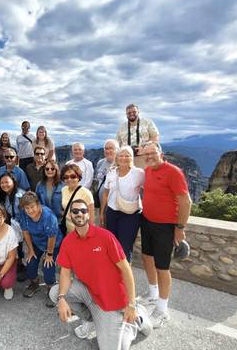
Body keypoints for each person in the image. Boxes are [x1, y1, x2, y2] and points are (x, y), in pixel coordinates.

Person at [49, 199, 152, 349]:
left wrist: (131, 304)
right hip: (90, 294)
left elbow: (126, 270)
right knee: (55, 293)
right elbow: (65, 272)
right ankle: (92, 321)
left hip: (112, 303)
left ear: (89, 214)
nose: (79, 214)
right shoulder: (68, 241)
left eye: (83, 211)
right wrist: (62, 298)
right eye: (75, 211)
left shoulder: (105, 237)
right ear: (70, 216)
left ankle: (136, 319)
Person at [137, 142, 192, 328]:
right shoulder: (149, 170)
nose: (149, 156)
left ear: (161, 153)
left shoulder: (173, 172)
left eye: (152, 153)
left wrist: (180, 227)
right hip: (147, 221)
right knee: (146, 257)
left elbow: (186, 201)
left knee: (162, 267)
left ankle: (162, 309)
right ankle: (152, 294)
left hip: (165, 226)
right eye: (146, 154)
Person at [100, 146, 144, 262]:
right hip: (112, 213)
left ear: (132, 158)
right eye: (121, 155)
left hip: (130, 215)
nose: (124, 158)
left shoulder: (139, 173)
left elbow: (148, 191)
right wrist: (102, 212)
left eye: (127, 155)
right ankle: (114, 275)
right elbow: (106, 193)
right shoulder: (111, 172)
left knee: (125, 247)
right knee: (112, 246)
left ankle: (125, 278)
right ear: (117, 157)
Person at [19, 192, 62, 307]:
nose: (30, 210)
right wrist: (31, 249)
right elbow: (25, 231)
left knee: (48, 265)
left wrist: (49, 254)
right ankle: (34, 283)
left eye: (32, 207)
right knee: (30, 261)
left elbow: (51, 237)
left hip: (53, 243)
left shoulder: (48, 216)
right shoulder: (23, 213)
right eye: (27, 208)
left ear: (38, 205)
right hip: (37, 242)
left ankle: (51, 289)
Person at [0, 172, 26, 281]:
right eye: (2, 183)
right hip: (14, 226)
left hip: (23, 226)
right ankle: (18, 265)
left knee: (24, 248)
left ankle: (25, 268)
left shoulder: (20, 195)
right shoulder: (6, 196)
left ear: (13, 182)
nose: (4, 184)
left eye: (7, 182)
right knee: (16, 247)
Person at [116, 104, 160, 168]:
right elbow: (117, 144)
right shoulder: (121, 127)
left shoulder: (147, 122)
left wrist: (144, 147)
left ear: (138, 112)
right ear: (126, 114)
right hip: (127, 160)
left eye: (134, 112)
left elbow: (155, 137)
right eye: (129, 113)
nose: (131, 114)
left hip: (145, 157)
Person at [61, 163, 94, 234]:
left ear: (78, 177)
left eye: (73, 176)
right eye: (66, 177)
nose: (69, 179)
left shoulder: (86, 193)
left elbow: (91, 219)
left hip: (82, 230)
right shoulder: (63, 190)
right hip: (68, 229)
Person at [94, 139, 118, 212]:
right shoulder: (100, 163)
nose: (108, 151)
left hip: (114, 206)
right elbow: (97, 180)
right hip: (101, 204)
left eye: (111, 148)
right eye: (106, 148)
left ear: (117, 150)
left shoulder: (120, 164)